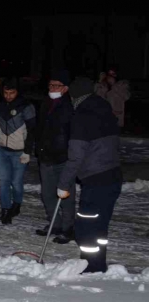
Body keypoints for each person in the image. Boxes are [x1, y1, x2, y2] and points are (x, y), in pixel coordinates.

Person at [57, 77, 122, 274]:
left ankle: (90, 267)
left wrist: (63, 184)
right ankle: (98, 264)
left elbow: (75, 157)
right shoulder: (104, 110)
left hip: (95, 181)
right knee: (100, 226)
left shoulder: (81, 117)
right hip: (113, 177)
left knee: (85, 228)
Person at [0, 78, 37, 224]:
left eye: (11, 93)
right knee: (4, 181)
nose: (8, 96)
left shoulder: (26, 107)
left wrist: (27, 151)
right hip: (1, 150)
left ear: (17, 92)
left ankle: (17, 204)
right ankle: (5, 209)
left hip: (19, 151)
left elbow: (32, 130)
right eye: (6, 93)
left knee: (16, 182)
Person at [34, 70, 75, 241]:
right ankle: (54, 224)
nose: (52, 88)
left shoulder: (69, 106)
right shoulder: (46, 103)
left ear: (65, 88)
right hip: (46, 157)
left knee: (65, 195)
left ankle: (68, 228)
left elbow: (70, 133)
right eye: (50, 85)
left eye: (56, 85)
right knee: (47, 194)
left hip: (63, 158)